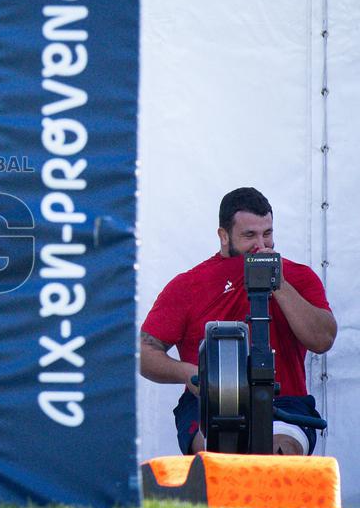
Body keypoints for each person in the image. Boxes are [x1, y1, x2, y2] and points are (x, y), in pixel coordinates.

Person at [140, 187, 337, 456]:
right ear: (224, 236)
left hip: (285, 403)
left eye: (267, 234)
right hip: (211, 401)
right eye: (249, 235)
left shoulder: (299, 277)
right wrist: (189, 373)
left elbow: (323, 340)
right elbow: (144, 352)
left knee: (279, 456)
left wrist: (278, 282)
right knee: (221, 455)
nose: (261, 245)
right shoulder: (189, 285)